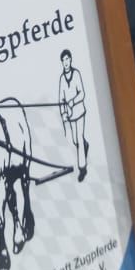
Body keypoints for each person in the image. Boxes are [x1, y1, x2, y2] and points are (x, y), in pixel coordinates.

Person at [58, 48, 89, 183]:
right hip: (70, 116)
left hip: (80, 111)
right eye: (63, 60)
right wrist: (63, 113)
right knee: (75, 140)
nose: (65, 62)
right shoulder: (62, 79)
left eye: (67, 59)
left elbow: (82, 93)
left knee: (79, 139)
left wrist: (73, 101)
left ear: (70, 59)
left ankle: (82, 168)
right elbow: (61, 99)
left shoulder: (76, 74)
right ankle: (85, 145)